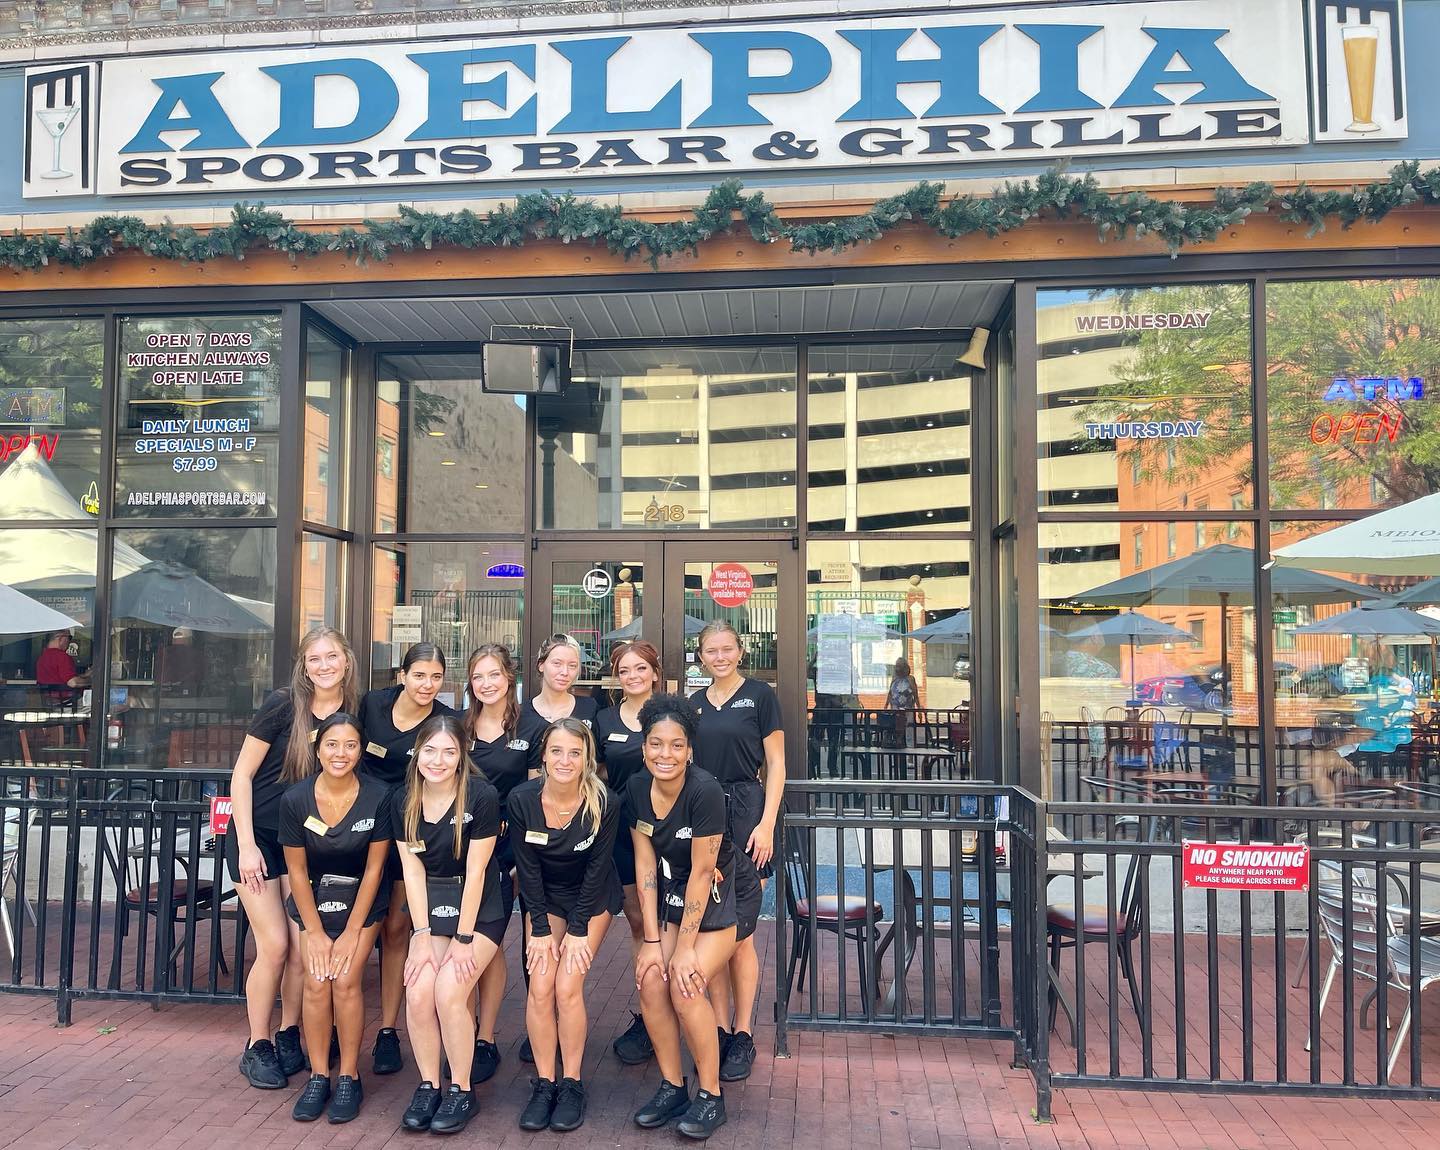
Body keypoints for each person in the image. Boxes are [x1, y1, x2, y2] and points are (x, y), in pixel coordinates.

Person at [227, 628, 359, 1090]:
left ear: (346, 661)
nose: (324, 666)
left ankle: (288, 1033)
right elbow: (241, 775)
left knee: (304, 953)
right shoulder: (283, 705)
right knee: (276, 946)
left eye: (332, 657)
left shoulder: (351, 711)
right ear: (304, 665)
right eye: (314, 658)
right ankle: (257, 1043)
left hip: (303, 844)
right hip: (258, 840)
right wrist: (246, 845)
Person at [626, 693, 736, 1139]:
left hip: (721, 893)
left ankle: (711, 1095)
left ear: (689, 750)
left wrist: (684, 949)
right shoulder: (637, 788)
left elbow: (704, 872)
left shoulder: (705, 790)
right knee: (653, 979)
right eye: (656, 744)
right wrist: (652, 942)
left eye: (676, 745)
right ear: (644, 748)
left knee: (685, 985)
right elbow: (645, 866)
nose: (665, 754)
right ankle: (673, 1086)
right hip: (676, 893)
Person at [509, 718, 623, 1132]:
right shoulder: (522, 799)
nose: (565, 760)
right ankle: (545, 1083)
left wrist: (577, 930)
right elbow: (527, 869)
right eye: (556, 751)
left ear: (587, 758)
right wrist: (539, 928)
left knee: (566, 986)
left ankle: (571, 1082)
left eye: (575, 753)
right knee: (540, 986)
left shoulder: (605, 802)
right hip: (545, 896)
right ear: (543, 755)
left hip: (592, 897)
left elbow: (598, 869)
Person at [278, 712, 391, 1124]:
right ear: (318, 748)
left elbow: (375, 870)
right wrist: (315, 933)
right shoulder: (295, 799)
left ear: (360, 751)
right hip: (313, 900)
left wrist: (351, 934)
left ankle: (349, 1076)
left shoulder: (380, 796)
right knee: (315, 981)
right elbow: (295, 871)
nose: (340, 753)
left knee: (344, 981)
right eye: (332, 744)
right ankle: (319, 1074)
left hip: (362, 901)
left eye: (350, 745)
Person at [394, 713, 505, 1136]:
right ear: (417, 753)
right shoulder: (403, 799)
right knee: (419, 989)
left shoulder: (481, 796)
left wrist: (462, 937)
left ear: (462, 756)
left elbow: (477, 873)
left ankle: (461, 1088)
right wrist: (421, 936)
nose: (437, 761)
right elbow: (413, 873)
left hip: (479, 908)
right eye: (430, 751)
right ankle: (429, 1085)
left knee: (449, 990)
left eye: (448, 752)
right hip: (432, 904)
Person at [491, 633, 599, 1065]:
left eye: (572, 665)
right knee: (535, 938)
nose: (564, 671)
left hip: (581, 826)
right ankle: (541, 1025)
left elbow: (594, 770)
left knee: (566, 968)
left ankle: (562, 1027)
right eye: (557, 663)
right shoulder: (520, 715)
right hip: (528, 830)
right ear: (540, 665)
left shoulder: (591, 711)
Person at [690, 620, 784, 1083]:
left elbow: (777, 763)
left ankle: (743, 1032)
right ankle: (720, 1029)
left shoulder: (760, 696)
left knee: (741, 933)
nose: (720, 657)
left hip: (748, 812)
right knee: (714, 926)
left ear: (740, 651)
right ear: (701, 656)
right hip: (706, 812)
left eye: (727, 648)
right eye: (712, 650)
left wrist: (767, 824)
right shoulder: (693, 704)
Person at [357, 642, 452, 1078]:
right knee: (354, 924)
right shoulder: (372, 705)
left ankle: (388, 1031)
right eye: (419, 675)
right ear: (402, 675)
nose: (427, 684)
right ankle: (336, 1025)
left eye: (435, 677)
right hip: (361, 824)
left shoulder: (443, 721)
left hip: (409, 827)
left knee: (396, 929)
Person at [462, 643, 530, 1083]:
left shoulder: (530, 727)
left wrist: (524, 858)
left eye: (494, 675)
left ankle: (485, 1037)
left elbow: (536, 797)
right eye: (478, 677)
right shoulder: (458, 727)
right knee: (463, 938)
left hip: (507, 850)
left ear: (509, 677)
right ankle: (463, 1032)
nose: (486, 684)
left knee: (491, 939)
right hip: (459, 849)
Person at [594, 640, 662, 1065]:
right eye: (624, 670)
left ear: (655, 672)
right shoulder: (603, 719)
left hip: (669, 831)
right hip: (622, 831)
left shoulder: (672, 713)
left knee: (675, 924)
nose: (633, 676)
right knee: (640, 921)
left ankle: (683, 1009)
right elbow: (597, 770)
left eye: (640, 668)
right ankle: (650, 1014)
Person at [36, 629, 89, 694]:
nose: (69, 642)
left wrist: (84, 676)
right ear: (60, 638)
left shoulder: (42, 657)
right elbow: (73, 683)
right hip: (65, 698)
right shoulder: (62, 656)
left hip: (46, 698)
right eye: (69, 637)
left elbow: (58, 678)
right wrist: (92, 680)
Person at [884, 657, 919, 746]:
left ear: (905, 667)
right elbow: (890, 693)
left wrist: (919, 709)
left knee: (909, 730)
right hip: (895, 709)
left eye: (899, 666)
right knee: (896, 730)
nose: (897, 668)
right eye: (896, 666)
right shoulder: (894, 678)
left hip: (908, 709)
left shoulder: (910, 679)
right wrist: (885, 706)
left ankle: (910, 750)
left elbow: (915, 694)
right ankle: (898, 747)